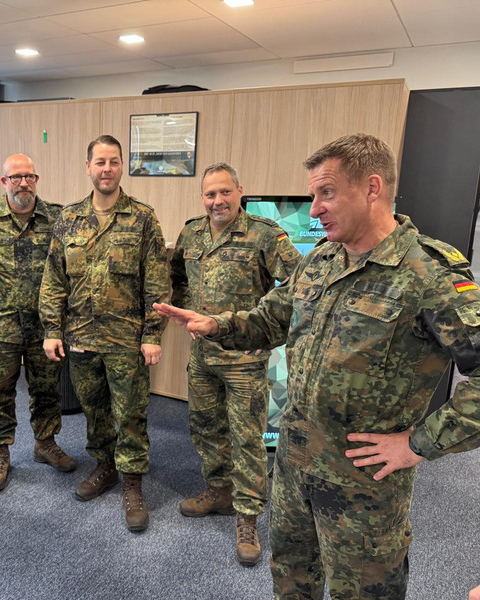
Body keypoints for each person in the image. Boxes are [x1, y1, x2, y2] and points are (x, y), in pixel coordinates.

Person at [154, 133, 480, 599]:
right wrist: (217, 324)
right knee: (290, 578)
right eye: (312, 195)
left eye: (326, 193)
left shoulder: (426, 273)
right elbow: (271, 319)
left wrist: (419, 444)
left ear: (371, 187)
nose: (313, 209)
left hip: (361, 489)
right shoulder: (321, 262)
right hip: (292, 468)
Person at [170, 161, 300, 565]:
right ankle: (219, 491)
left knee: (246, 438)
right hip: (203, 356)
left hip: (244, 357)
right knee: (206, 427)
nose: (217, 201)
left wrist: (267, 330)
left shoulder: (263, 234)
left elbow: (299, 281)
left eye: (225, 192)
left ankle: (247, 517)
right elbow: (176, 275)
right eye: (210, 194)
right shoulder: (191, 232)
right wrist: (186, 311)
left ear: (240, 191)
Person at [39, 134, 169, 532]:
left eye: (113, 162)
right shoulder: (68, 219)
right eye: (100, 162)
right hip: (80, 338)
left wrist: (153, 333)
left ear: (121, 167)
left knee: (130, 413)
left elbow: (157, 282)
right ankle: (104, 467)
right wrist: (51, 328)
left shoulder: (143, 217)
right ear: (88, 167)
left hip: (127, 339)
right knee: (95, 412)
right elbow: (53, 279)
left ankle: (132, 482)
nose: (107, 169)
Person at [0, 153, 75, 493]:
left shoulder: (57, 217)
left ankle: (45, 443)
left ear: (36, 180)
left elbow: (71, 262)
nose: (23, 182)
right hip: (2, 326)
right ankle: (0, 453)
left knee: (46, 389)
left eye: (29, 176)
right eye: (15, 177)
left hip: (45, 326)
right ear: (4, 182)